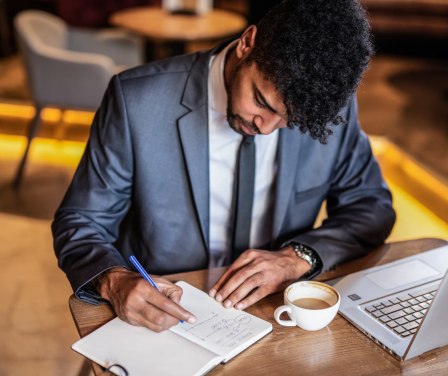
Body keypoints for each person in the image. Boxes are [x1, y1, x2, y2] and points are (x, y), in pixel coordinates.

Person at [52, 0, 396, 332]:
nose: (265, 127)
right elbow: (81, 220)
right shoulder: (136, 101)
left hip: (275, 314)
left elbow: (371, 206)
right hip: (166, 310)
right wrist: (114, 281)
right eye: (261, 101)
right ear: (247, 43)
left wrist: (298, 257)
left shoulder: (327, 107)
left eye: (289, 121)